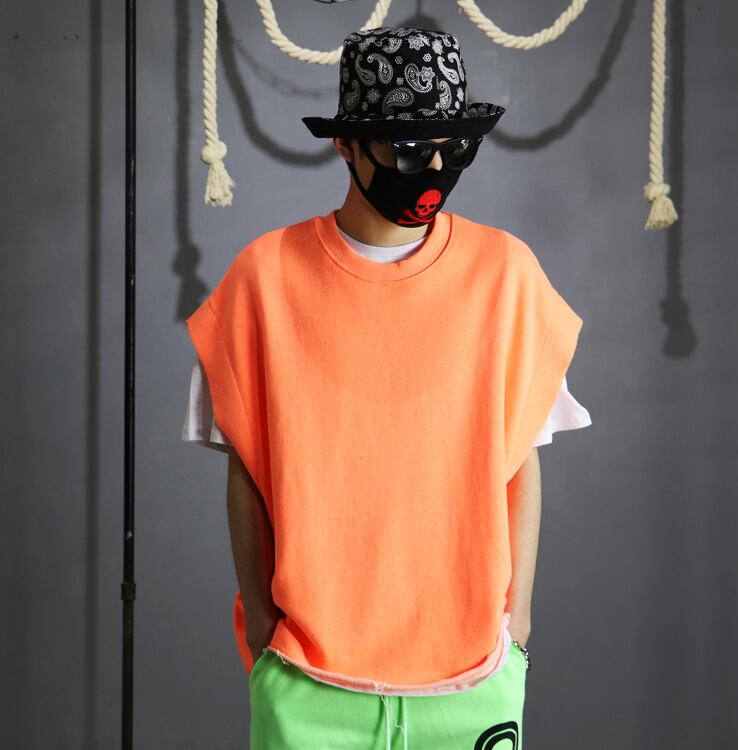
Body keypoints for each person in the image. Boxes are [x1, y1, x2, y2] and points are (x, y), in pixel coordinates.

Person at [181, 25, 591, 749]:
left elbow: (520, 457)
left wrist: (517, 620)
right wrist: (265, 629)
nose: (431, 167)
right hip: (307, 679)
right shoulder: (263, 281)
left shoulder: (505, 275)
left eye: (452, 149)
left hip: (473, 673)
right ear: (347, 145)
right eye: (407, 148)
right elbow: (246, 466)